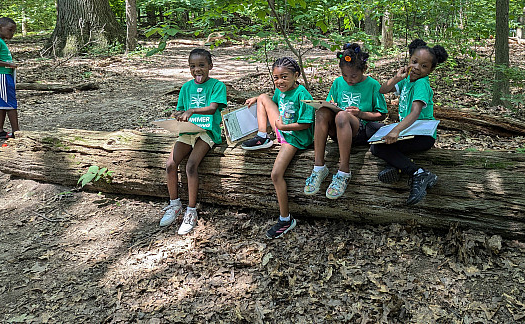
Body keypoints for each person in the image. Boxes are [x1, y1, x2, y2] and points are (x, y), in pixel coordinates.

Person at [241, 57, 315, 239]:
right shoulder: (279, 91)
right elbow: (272, 104)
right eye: (276, 77)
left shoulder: (302, 94)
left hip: (296, 137)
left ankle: (285, 219)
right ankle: (262, 136)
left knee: (276, 174)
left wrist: (284, 128)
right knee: (262, 97)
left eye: (284, 77)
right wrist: (256, 100)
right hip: (282, 130)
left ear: (296, 75)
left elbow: (305, 124)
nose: (279, 81)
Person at [304, 43, 387, 199]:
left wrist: (361, 113)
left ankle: (343, 172)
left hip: (359, 130)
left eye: (354, 76)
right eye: (345, 75)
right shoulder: (337, 83)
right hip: (337, 130)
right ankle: (318, 167)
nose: (349, 80)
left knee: (342, 116)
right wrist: (333, 106)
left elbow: (382, 115)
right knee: (322, 112)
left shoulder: (373, 85)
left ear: (364, 69)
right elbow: (329, 103)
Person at [370, 39, 448, 205]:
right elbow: (382, 90)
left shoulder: (421, 84)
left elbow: (415, 112)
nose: (417, 68)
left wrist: (396, 130)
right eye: (414, 62)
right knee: (376, 136)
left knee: (378, 147)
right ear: (409, 60)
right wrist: (397, 77)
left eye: (424, 66)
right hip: (409, 132)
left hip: (422, 135)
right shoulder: (407, 81)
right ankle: (396, 166)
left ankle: (418, 173)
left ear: (431, 70)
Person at [160, 48, 227, 235]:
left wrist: (193, 111)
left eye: (201, 65)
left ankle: (191, 211)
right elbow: (180, 109)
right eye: (192, 66)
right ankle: (174, 205)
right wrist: (177, 115)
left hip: (207, 131)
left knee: (191, 166)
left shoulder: (217, 86)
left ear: (210, 66)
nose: (197, 70)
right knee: (170, 164)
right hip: (188, 130)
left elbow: (213, 109)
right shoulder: (186, 87)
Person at [0, 17, 19, 141]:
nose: (12, 33)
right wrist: (9, 65)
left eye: (13, 31)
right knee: (11, 104)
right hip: (0, 75)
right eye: (10, 30)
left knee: (3, 104)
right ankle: (17, 132)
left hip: (1, 75)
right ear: (0, 27)